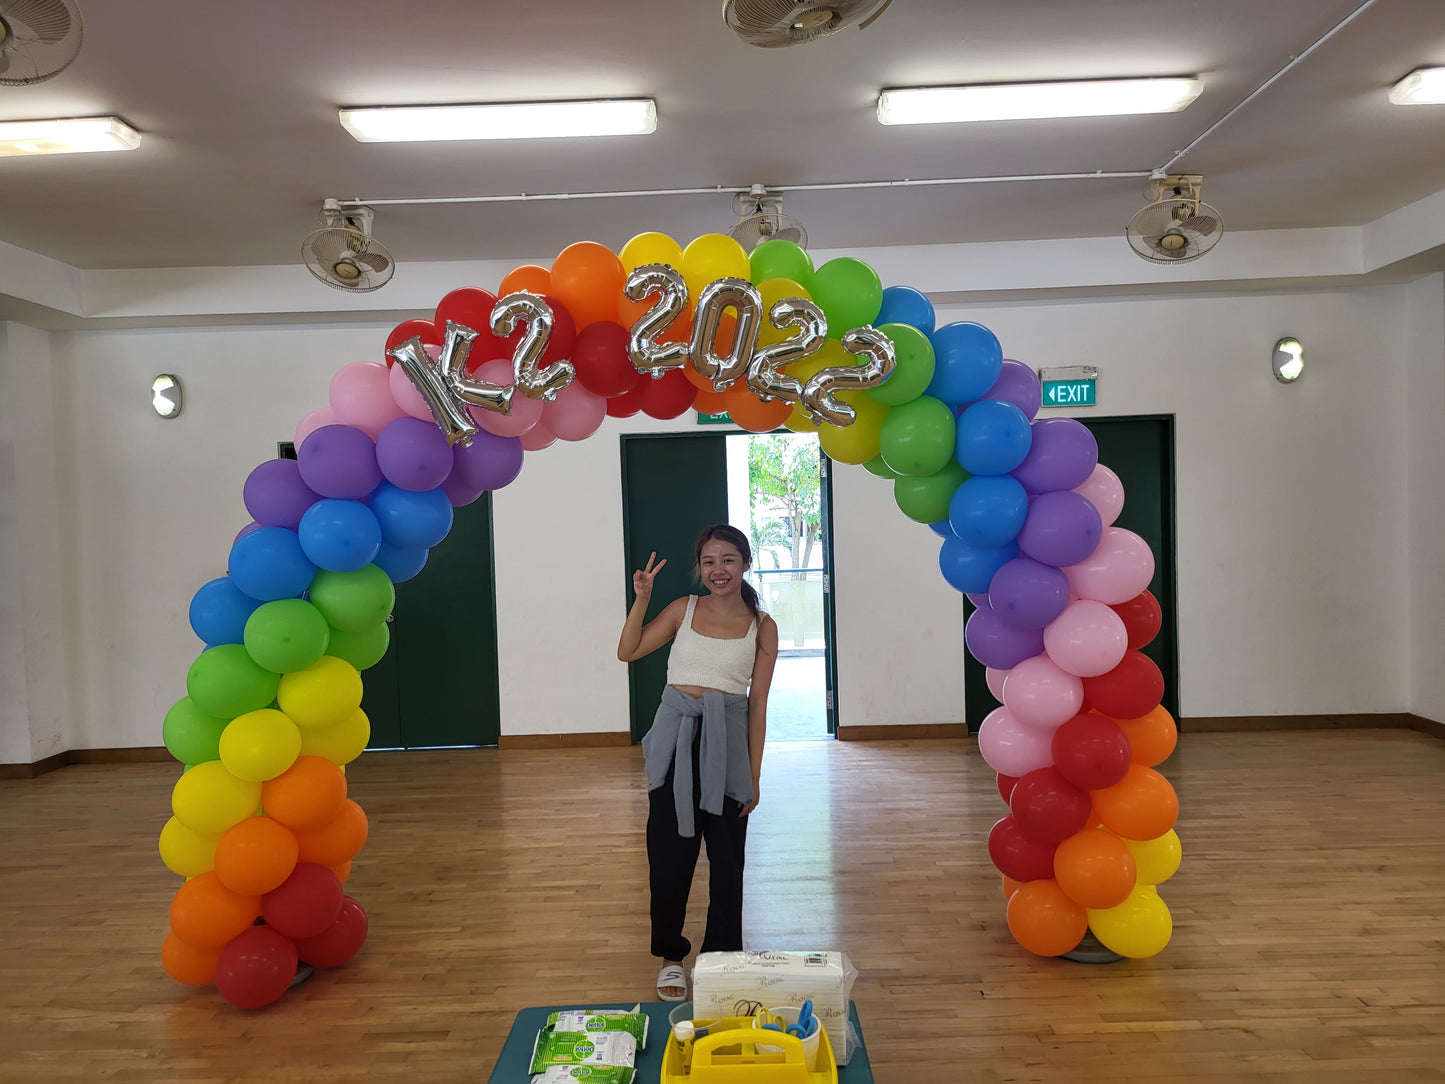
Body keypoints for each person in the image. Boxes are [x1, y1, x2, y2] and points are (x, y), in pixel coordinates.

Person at [616, 524, 779, 1002]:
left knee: (727, 859)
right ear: (700, 567)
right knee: (669, 857)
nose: (717, 570)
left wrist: (753, 775)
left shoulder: (762, 625)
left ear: (746, 563)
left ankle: (723, 959)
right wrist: (642, 597)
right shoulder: (682, 609)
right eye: (709, 561)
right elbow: (628, 651)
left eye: (728, 560)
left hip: (727, 741)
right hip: (675, 739)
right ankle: (671, 958)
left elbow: (759, 705)